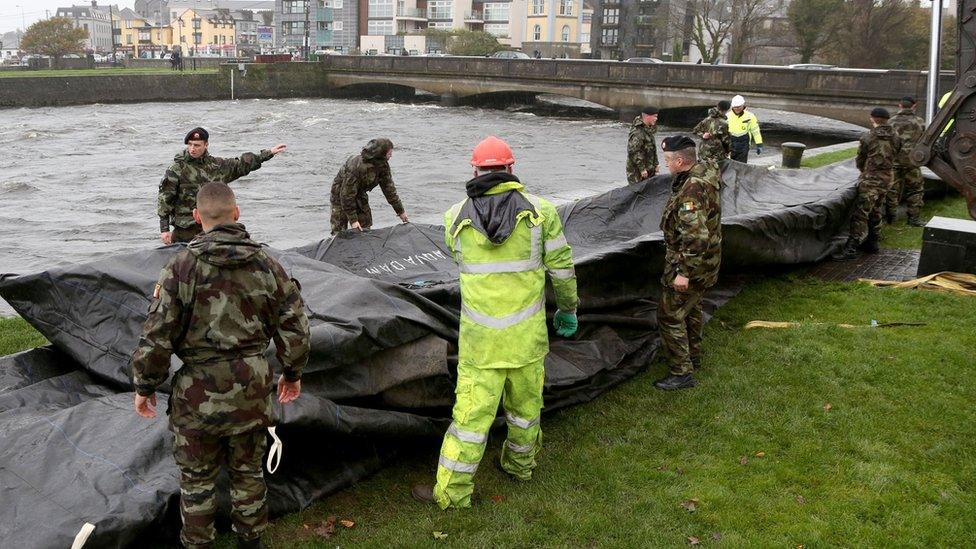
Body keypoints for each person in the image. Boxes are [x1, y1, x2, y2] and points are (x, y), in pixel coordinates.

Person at [132, 182, 310, 549]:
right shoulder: (267, 264)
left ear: (196, 217)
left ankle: (199, 544)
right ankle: (252, 541)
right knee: (248, 471)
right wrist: (291, 374)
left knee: (197, 479)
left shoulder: (180, 267)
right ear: (237, 213)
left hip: (197, 393)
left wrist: (144, 386)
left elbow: (157, 335)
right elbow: (295, 326)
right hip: (252, 386)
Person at [411, 136, 579, 509]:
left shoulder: (454, 217)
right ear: (512, 168)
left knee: (470, 420)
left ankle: (453, 494)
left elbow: (461, 261)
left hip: (480, 343)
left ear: (474, 170)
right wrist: (568, 309)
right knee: (525, 410)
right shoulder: (542, 213)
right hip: (527, 339)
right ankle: (520, 467)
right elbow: (563, 271)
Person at [654, 135, 722, 391]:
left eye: (668, 160)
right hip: (707, 264)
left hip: (690, 266)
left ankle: (681, 372)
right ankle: (692, 355)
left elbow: (696, 236)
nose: (666, 164)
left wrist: (683, 273)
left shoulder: (691, 189)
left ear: (680, 160)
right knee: (692, 309)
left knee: (669, 315)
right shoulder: (706, 174)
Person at [158, 127, 286, 245]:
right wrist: (164, 229)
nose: (192, 149)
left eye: (197, 145)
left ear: (206, 145)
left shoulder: (217, 166)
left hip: (214, 227)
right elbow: (165, 200)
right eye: (190, 144)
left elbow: (241, 164)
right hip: (186, 230)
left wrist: (268, 153)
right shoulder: (176, 169)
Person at [832, 108, 902, 260]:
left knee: (860, 213)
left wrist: (865, 171)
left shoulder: (868, 137)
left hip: (871, 179)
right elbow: (896, 152)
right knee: (877, 210)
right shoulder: (896, 136)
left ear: (872, 119)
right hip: (887, 179)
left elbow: (860, 159)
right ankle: (873, 243)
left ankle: (851, 249)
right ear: (886, 119)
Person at [329, 138, 409, 234]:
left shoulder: (383, 166)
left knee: (365, 227)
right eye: (389, 153)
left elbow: (389, 190)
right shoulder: (356, 166)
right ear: (380, 154)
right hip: (341, 194)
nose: (391, 155)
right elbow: (347, 196)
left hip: (360, 193)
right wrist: (353, 220)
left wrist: (400, 212)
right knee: (339, 231)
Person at [886, 96, 926, 226]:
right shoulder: (920, 122)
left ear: (900, 105)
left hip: (894, 161)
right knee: (915, 189)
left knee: (892, 189)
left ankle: (890, 218)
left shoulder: (890, 122)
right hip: (912, 161)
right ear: (914, 106)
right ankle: (913, 219)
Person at [626, 106, 660, 184]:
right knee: (637, 193)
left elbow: (652, 148)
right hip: (637, 171)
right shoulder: (638, 132)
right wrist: (642, 169)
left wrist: (656, 164)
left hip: (649, 168)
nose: (656, 119)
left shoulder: (648, 129)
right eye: (654, 116)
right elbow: (633, 152)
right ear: (647, 116)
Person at [726, 95, 763, 163]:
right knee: (729, 163)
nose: (737, 109)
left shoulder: (750, 116)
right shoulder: (727, 116)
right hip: (730, 142)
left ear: (743, 105)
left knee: (741, 164)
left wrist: (759, 144)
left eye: (739, 107)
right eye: (735, 107)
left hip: (744, 143)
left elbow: (755, 131)